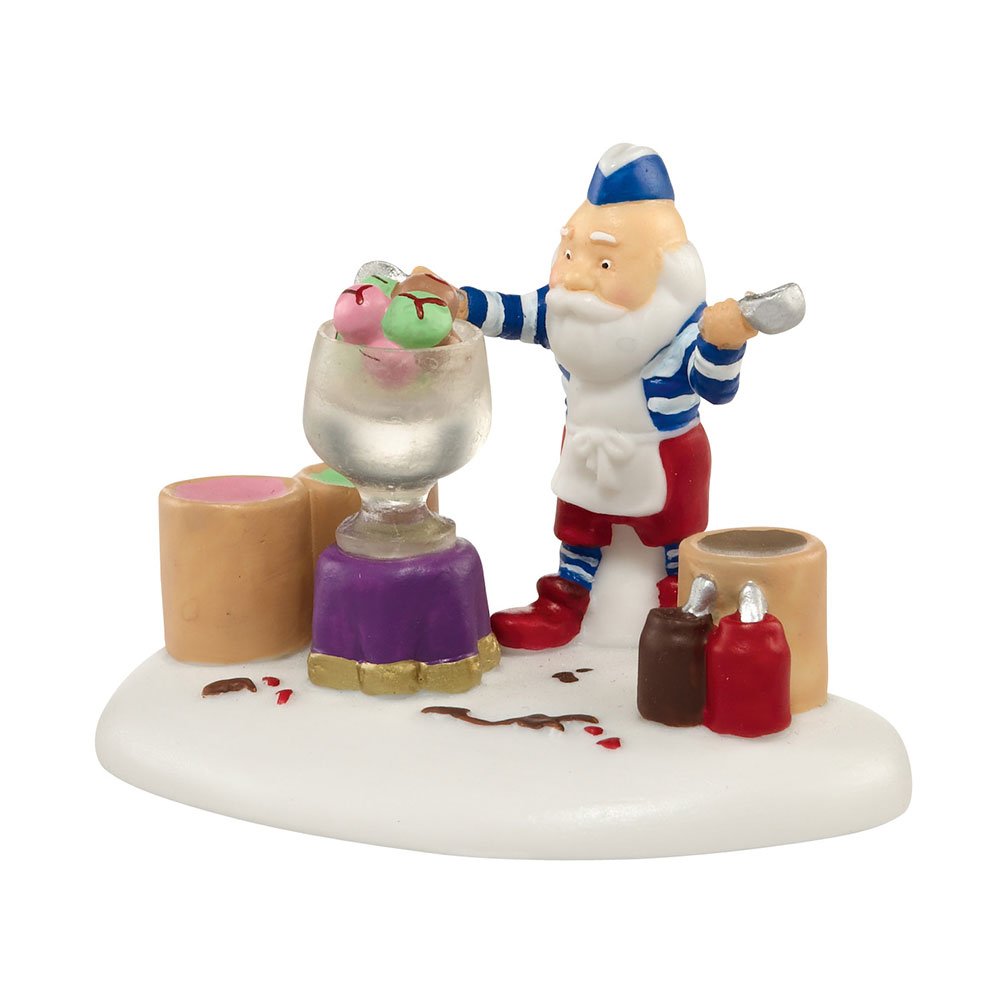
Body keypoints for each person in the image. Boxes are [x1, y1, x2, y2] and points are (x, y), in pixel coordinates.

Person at [458, 143, 758, 650]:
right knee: (578, 526)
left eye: (603, 262)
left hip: (664, 455)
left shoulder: (679, 328)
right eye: (569, 254)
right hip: (584, 447)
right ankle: (564, 602)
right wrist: (459, 301)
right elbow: (507, 311)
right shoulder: (562, 313)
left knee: (676, 540)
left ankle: (682, 612)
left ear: (665, 271)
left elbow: (713, 387)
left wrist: (723, 342)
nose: (576, 275)